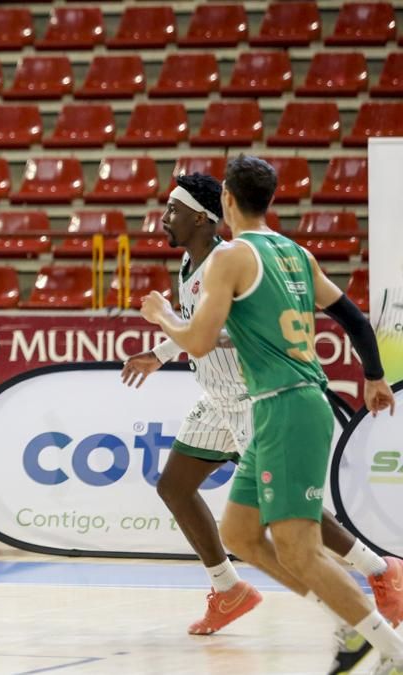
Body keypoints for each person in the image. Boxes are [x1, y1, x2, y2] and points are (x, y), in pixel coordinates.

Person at [122, 173, 403, 671]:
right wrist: (374, 375)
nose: (163, 219)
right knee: (224, 520)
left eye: (173, 210)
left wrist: (162, 316)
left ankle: (378, 581)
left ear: (219, 206)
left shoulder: (231, 258)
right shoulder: (278, 254)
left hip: (263, 397)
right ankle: (235, 590)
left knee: (294, 529)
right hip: (227, 397)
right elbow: (352, 319)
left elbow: (213, 334)